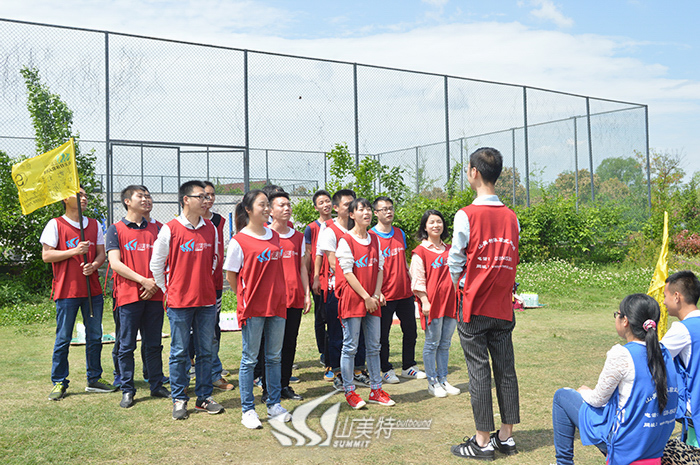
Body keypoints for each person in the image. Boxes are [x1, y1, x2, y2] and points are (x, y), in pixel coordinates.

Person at [447, 147, 521, 460]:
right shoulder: (511, 217)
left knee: (479, 372)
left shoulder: (466, 214)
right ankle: (506, 436)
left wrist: (460, 284)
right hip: (502, 306)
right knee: (506, 370)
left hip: (474, 305)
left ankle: (482, 441)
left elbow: (455, 259)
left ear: (473, 172)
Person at [551, 294, 678, 465]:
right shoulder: (665, 353)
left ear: (625, 321)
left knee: (562, 396)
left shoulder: (622, 354)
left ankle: (563, 463)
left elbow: (597, 400)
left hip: (627, 446)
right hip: (654, 445)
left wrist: (584, 392)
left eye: (617, 314)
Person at [150, 180, 224, 420]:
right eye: (200, 196)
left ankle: (204, 398)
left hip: (206, 301)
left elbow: (214, 261)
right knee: (180, 352)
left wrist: (204, 285)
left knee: (206, 351)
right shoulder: (170, 229)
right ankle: (179, 398)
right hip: (179, 303)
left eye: (206, 197)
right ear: (186, 200)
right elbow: (156, 264)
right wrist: (168, 290)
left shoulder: (211, 228)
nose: (206, 201)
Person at [223, 189, 290, 430]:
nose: (267, 209)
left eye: (267, 204)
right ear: (248, 209)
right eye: (262, 204)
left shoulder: (275, 236)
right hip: (253, 307)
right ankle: (248, 410)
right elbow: (231, 276)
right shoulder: (239, 240)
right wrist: (245, 296)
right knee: (250, 359)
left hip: (277, 305)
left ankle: (274, 404)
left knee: (274, 357)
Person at [43, 187, 117, 400]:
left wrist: (94, 265)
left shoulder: (94, 225)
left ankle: (94, 379)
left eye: (85, 195)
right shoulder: (55, 224)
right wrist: (74, 251)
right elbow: (47, 255)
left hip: (92, 291)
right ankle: (59, 381)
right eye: (79, 195)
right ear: (65, 199)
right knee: (63, 338)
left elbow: (101, 254)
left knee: (95, 336)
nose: (84, 198)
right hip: (66, 291)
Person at [106, 185, 170, 408]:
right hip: (128, 296)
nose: (146, 199)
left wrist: (154, 284)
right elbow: (115, 263)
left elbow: (167, 260)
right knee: (126, 346)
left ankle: (156, 384)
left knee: (153, 344)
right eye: (140, 196)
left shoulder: (159, 229)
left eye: (148, 196)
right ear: (127, 201)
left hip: (155, 295)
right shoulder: (115, 229)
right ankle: (127, 389)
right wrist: (143, 281)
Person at [335, 197, 394, 409]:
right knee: (350, 347)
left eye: (368, 209)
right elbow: (347, 272)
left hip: (372, 300)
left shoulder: (375, 239)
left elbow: (380, 268)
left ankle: (376, 390)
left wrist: (376, 295)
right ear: (352, 215)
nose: (367, 212)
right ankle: (350, 391)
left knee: (374, 346)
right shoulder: (346, 240)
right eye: (361, 209)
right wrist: (366, 297)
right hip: (354, 300)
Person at [260, 190, 312, 401]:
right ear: (270, 211)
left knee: (290, 343)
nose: (286, 208)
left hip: (293, 298)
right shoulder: (264, 235)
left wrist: (306, 293)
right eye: (281, 205)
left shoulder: (298, 237)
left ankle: (284, 385)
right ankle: (267, 388)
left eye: (288, 205)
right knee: (270, 346)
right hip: (271, 300)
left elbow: (302, 267)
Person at [316, 189, 369, 389]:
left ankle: (358, 370)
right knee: (337, 333)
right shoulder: (330, 232)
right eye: (347, 204)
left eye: (353, 204)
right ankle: (338, 372)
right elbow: (333, 264)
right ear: (336, 208)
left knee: (360, 334)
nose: (351, 207)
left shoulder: (362, 232)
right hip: (339, 291)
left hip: (360, 290)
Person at [371, 196, 425, 384]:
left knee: (410, 330)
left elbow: (403, 261)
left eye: (391, 208)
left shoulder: (400, 233)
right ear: (376, 213)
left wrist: (412, 283)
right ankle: (385, 369)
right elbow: (371, 267)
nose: (388, 212)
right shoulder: (371, 236)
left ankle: (408, 366)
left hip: (405, 292)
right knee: (382, 335)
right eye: (384, 209)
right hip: (384, 295)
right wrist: (377, 292)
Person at [410, 209, 460, 398]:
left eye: (439, 221)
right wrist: (424, 301)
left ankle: (443, 379)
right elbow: (417, 279)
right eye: (431, 222)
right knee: (432, 343)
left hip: (451, 303)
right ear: (425, 226)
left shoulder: (451, 249)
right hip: (432, 304)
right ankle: (432, 382)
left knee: (445, 343)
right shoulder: (420, 252)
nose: (436, 225)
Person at [662, 271, 700, 447]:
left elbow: (653, 358)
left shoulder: (682, 330)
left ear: (677, 297)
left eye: (665, 296)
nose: (664, 302)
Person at [202, 181, 234, 392]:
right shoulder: (182, 224)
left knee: (213, 328)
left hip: (214, 284)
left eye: (212, 195)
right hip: (191, 287)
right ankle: (189, 372)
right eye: (205, 195)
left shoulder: (219, 221)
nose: (209, 199)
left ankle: (214, 373)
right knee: (189, 332)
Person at [305, 189, 333, 372]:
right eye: (321, 202)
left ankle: (332, 351)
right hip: (319, 279)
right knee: (321, 317)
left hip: (335, 278)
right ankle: (323, 352)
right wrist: (313, 279)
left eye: (327, 201)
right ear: (316, 207)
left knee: (333, 317)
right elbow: (309, 255)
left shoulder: (338, 224)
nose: (325, 205)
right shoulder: (311, 228)